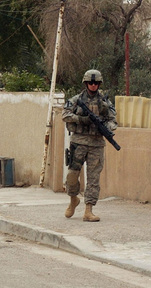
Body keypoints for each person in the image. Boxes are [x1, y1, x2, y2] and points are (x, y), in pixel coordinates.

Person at [62, 69, 117, 222]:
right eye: (90, 83)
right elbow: (65, 115)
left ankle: (88, 210)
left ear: (99, 84)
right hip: (78, 142)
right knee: (72, 175)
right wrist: (81, 119)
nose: (93, 85)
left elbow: (113, 119)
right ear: (86, 83)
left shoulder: (105, 102)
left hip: (96, 144)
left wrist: (108, 128)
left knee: (93, 178)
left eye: (96, 83)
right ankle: (73, 199)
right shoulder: (76, 99)